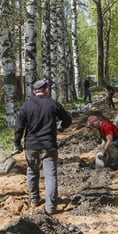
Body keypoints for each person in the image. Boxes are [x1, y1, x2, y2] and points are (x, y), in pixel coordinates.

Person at [14, 79, 72, 214]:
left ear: (34, 92)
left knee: (32, 172)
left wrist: (17, 143)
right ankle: (51, 207)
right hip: (49, 146)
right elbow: (67, 120)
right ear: (46, 90)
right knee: (50, 176)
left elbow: (19, 127)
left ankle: (34, 200)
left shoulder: (26, 106)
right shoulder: (53, 104)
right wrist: (61, 127)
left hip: (31, 146)